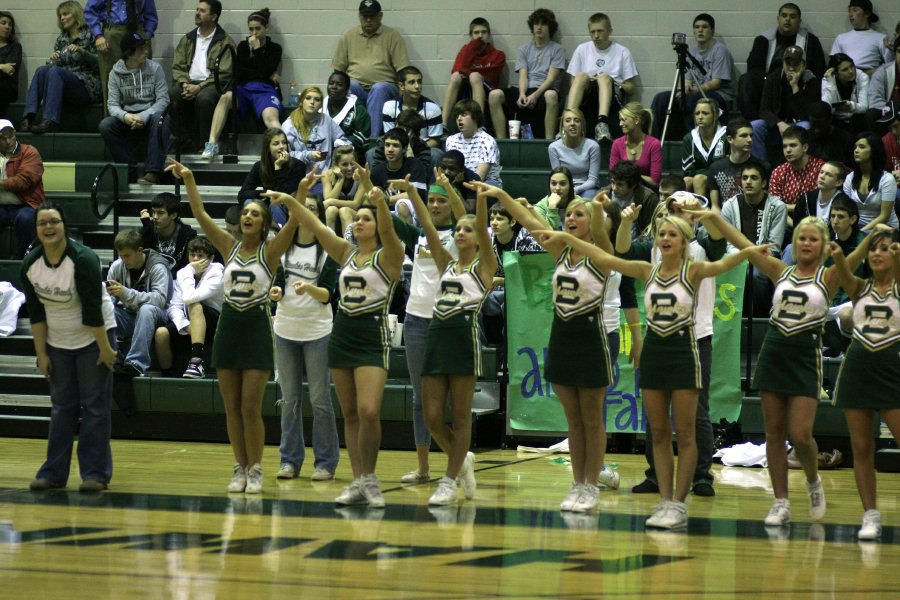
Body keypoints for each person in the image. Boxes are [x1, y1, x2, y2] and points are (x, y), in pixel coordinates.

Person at [540, 215, 760, 528]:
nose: (666, 238)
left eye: (673, 234)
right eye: (661, 234)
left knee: (684, 432)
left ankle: (679, 505)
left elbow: (732, 260)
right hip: (655, 353)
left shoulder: (695, 270)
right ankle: (664, 502)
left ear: (684, 242)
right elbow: (605, 257)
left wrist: (751, 249)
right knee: (658, 432)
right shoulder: (647, 270)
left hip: (685, 352)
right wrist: (564, 237)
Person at [694, 210, 875, 527]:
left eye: (813, 239)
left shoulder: (829, 276)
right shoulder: (781, 270)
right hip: (774, 353)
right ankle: (781, 502)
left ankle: (813, 480)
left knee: (802, 435)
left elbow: (858, 257)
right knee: (774, 434)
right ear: (795, 241)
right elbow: (742, 242)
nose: (806, 242)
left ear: (823, 245)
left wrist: (873, 235)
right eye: (802, 237)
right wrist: (713, 215)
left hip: (805, 356)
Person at [165, 158, 304, 495]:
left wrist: (297, 193)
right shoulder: (228, 247)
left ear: (264, 222)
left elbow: (296, 220)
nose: (247, 217)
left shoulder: (271, 252)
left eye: (255, 214)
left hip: (255, 328)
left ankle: (256, 468)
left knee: (250, 407)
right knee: (231, 406)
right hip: (229, 328)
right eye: (245, 213)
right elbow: (199, 215)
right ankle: (239, 466)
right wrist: (190, 179)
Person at [269, 165, 404, 508]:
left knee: (369, 410)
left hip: (372, 335)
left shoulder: (389, 256)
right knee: (351, 414)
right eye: (356, 219)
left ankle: (371, 478)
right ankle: (358, 481)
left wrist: (375, 195)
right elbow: (313, 223)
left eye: (366, 219)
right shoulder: (344, 252)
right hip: (342, 333)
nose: (359, 222)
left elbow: (388, 228)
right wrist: (291, 198)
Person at [484, 183, 623, 512]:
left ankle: (591, 484)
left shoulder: (600, 255)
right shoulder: (561, 253)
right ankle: (577, 483)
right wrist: (501, 196)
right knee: (572, 420)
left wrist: (599, 208)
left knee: (592, 418)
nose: (571, 218)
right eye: (569, 214)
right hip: (562, 336)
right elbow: (533, 225)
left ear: (592, 221)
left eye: (579, 214)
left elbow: (603, 237)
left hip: (594, 337)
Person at [391, 178, 497, 505]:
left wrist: (479, 200)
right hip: (436, 339)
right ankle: (460, 458)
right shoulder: (445, 263)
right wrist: (411, 191)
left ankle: (449, 481)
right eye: (459, 230)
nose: (462, 233)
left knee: (461, 415)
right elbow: (425, 223)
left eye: (468, 231)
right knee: (433, 415)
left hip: (464, 342)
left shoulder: (485, 268)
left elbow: (481, 227)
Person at [617, 192, 727, 499]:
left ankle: (702, 476)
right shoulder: (654, 247)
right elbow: (622, 251)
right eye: (672, 207)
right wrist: (625, 223)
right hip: (658, 339)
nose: (676, 211)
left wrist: (702, 214)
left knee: (697, 412)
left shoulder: (703, 245)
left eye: (683, 207)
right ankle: (656, 474)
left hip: (696, 337)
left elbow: (720, 239)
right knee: (656, 414)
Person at [21, 202, 117, 492]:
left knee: (95, 407)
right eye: (42, 223)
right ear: (36, 229)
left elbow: (92, 311)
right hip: (57, 342)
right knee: (62, 407)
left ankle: (95, 474)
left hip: (94, 338)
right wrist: (41, 354)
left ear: (64, 225)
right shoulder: (31, 265)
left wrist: (105, 349)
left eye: (54, 221)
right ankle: (53, 473)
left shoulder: (83, 259)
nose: (48, 227)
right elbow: (36, 315)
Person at [393, 171, 466, 484]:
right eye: (431, 201)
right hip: (415, 321)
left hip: (448, 322)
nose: (435, 206)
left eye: (441, 201)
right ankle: (424, 467)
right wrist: (374, 189)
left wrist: (450, 188)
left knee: (445, 402)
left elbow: (468, 216)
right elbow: (387, 219)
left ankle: (458, 460)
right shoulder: (417, 234)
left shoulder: (461, 234)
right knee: (419, 399)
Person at [830, 228, 900, 541]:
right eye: (873, 250)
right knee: (861, 447)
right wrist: (842, 254)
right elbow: (843, 271)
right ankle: (870, 514)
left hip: (892, 371)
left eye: (884, 249)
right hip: (857, 369)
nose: (877, 254)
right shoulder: (859, 288)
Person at [269, 195, 340, 482]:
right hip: (285, 331)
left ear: (319, 215)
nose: (306, 212)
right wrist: (276, 293)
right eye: (301, 208)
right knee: (289, 400)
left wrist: (308, 289)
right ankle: (289, 461)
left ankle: (325, 462)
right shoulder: (282, 246)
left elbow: (327, 295)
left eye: (311, 208)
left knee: (320, 400)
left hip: (318, 332)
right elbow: (276, 286)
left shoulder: (327, 247)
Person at [203, 8, 282, 160]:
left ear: (267, 28)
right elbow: (240, 73)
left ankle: (283, 150)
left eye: (258, 28)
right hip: (244, 88)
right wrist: (264, 73)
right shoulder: (243, 46)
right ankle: (211, 144)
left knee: (271, 118)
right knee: (225, 98)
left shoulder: (275, 49)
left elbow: (266, 69)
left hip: (265, 90)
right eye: (251, 29)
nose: (254, 33)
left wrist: (258, 50)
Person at [650, 13, 735, 140]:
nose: (700, 30)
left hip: (719, 95)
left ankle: (693, 141)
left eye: (704, 27)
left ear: (712, 30)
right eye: (697, 27)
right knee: (661, 99)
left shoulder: (720, 50)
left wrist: (693, 92)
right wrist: (685, 90)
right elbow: (688, 80)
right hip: (694, 92)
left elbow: (716, 82)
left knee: (692, 100)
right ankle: (655, 142)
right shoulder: (691, 52)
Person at [98, 33, 168, 185]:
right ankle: (129, 169)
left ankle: (153, 171)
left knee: (162, 118)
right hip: (129, 116)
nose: (146, 51)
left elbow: (163, 100)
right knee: (105, 125)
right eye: (141, 49)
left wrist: (143, 116)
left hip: (150, 114)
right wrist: (126, 117)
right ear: (129, 53)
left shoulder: (155, 69)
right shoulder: (115, 73)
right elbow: (112, 105)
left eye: (145, 47)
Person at [332, 0, 409, 137]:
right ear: (359, 16)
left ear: (380, 16)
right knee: (350, 86)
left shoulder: (392, 36)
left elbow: (403, 70)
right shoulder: (348, 35)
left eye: (372, 16)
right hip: (357, 85)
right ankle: (343, 137)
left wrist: (405, 94)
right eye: (364, 16)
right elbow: (338, 70)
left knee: (378, 89)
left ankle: (371, 140)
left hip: (386, 87)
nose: (368, 20)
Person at [21, 2, 100, 134]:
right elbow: (53, 70)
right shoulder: (61, 39)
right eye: (60, 16)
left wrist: (83, 52)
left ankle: (49, 120)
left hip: (86, 87)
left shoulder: (91, 34)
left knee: (56, 72)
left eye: (65, 14)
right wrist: (53, 60)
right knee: (42, 70)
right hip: (64, 85)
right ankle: (28, 117)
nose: (62, 18)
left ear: (75, 14)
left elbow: (99, 63)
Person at [720, 161, 788, 316]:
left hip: (766, 258)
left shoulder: (778, 207)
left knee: (757, 274)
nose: (748, 181)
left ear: (764, 183)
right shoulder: (729, 206)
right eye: (744, 178)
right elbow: (728, 242)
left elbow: (773, 246)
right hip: (736, 256)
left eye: (754, 178)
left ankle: (760, 318)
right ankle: (733, 319)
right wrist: (743, 257)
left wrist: (752, 257)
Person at [739, 3, 826, 120]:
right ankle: (751, 122)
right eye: (784, 15)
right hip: (769, 81)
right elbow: (753, 68)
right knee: (746, 79)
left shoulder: (811, 41)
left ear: (799, 21)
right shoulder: (763, 40)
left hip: (799, 81)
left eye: (792, 16)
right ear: (778, 19)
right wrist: (770, 80)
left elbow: (819, 70)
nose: (788, 20)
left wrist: (799, 77)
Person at [488, 8, 565, 140]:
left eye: (543, 24)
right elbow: (523, 76)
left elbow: (551, 78)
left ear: (550, 27)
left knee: (551, 95)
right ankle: (501, 142)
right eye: (536, 24)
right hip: (526, 89)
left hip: (544, 90)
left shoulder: (557, 49)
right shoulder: (524, 49)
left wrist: (535, 95)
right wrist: (522, 94)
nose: (539, 27)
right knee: (494, 95)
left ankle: (549, 142)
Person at [169, 1, 236, 152]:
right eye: (197, 9)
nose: (197, 13)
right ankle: (185, 139)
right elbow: (178, 66)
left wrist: (199, 87)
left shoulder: (225, 41)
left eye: (202, 11)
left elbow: (224, 73)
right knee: (170, 95)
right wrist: (184, 83)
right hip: (188, 82)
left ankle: (204, 145)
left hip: (212, 84)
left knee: (204, 98)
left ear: (213, 16)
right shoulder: (188, 39)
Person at [106, 228, 173, 377]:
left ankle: (136, 363)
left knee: (146, 309)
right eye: (120, 255)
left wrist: (126, 293)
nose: (123, 260)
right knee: (104, 309)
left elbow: (160, 301)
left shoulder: (158, 267)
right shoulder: (117, 266)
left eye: (127, 256)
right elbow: (108, 298)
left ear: (140, 250)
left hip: (159, 318)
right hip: (130, 316)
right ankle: (113, 356)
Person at [155, 236, 223, 379]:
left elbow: (189, 298)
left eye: (200, 256)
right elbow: (175, 306)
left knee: (195, 306)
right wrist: (185, 326)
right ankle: (168, 376)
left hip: (215, 322)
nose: (195, 260)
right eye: (192, 255)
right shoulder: (185, 273)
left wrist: (187, 271)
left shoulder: (217, 273)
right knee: (161, 334)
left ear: (211, 258)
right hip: (190, 322)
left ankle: (197, 363)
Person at [565, 12, 638, 143]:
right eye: (592, 32)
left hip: (612, 96)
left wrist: (611, 81)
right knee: (581, 76)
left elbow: (631, 88)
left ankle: (602, 124)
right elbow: (573, 82)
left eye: (600, 31)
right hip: (587, 94)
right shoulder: (582, 49)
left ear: (610, 31)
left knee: (603, 77)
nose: (596, 36)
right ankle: (568, 119)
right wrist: (589, 80)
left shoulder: (622, 52)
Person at [751, 45, 820, 163]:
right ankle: (760, 166)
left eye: (796, 64)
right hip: (778, 123)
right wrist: (779, 123)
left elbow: (807, 114)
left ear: (803, 65)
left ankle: (801, 165)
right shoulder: (773, 78)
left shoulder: (811, 81)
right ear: (783, 63)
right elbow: (764, 110)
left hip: (799, 122)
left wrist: (795, 87)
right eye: (788, 64)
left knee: (807, 127)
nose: (791, 68)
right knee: (755, 126)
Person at [84, 0, 157, 110]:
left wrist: (147, 35)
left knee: (143, 77)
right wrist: (98, 35)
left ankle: (145, 119)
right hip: (113, 33)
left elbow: (151, 15)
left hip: (138, 32)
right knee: (110, 76)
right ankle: (112, 120)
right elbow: (90, 11)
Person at [442, 18, 506, 129]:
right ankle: (443, 124)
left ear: (489, 35)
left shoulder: (498, 54)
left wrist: (469, 72)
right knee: (455, 77)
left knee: (475, 76)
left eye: (484, 32)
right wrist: (472, 47)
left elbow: (491, 76)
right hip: (465, 88)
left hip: (487, 88)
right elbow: (458, 70)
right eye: (476, 33)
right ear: (471, 35)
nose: (480, 36)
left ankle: (478, 123)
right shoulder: (465, 50)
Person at [238, 128, 307, 226]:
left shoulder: (298, 166)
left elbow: (284, 194)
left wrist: (278, 167)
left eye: (284, 143)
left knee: (276, 204)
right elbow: (242, 194)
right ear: (268, 148)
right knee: (249, 202)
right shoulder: (260, 166)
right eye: (276, 144)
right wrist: (265, 193)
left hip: (289, 206)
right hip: (269, 203)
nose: (282, 147)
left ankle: (281, 236)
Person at [0, 119, 44, 258]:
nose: (8, 141)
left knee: (25, 219)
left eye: (10, 136)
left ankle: (22, 260)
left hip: (27, 204)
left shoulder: (29, 152)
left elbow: (23, 181)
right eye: (2, 138)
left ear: (15, 134)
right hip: (1, 207)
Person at [282, 86, 350, 173]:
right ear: (301, 102)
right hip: (298, 176)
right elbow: (285, 154)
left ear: (321, 105)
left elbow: (344, 141)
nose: (312, 102)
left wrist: (340, 146)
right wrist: (309, 155)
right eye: (308, 98)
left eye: (317, 99)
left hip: (324, 176)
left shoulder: (326, 120)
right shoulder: (289, 124)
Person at [381, 66, 442, 161]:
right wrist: (402, 148)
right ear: (401, 86)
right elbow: (389, 136)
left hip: (422, 148)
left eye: (419, 81)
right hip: (397, 147)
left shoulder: (432, 108)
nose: (417, 86)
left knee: (436, 153)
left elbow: (435, 141)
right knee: (372, 152)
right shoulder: (389, 106)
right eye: (412, 82)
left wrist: (413, 148)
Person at [370, 128, 428, 224]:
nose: (390, 150)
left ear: (404, 149)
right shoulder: (377, 170)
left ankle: (408, 239)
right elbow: (372, 198)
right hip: (386, 213)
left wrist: (387, 200)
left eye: (395, 146)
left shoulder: (414, 165)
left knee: (402, 205)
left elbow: (416, 194)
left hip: (414, 213)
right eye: (387, 145)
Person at [843, 131, 898, 230]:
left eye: (862, 147)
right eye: (855, 147)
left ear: (874, 151)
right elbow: (847, 210)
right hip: (858, 227)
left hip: (885, 230)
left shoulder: (887, 179)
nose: (856, 150)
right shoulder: (850, 178)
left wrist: (860, 234)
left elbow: (884, 216)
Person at [768, 126, 826, 217]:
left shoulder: (820, 169)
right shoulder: (778, 172)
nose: (788, 150)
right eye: (785, 146)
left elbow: (819, 205)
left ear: (805, 147)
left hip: (814, 220)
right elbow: (774, 208)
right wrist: (794, 227)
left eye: (793, 145)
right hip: (785, 223)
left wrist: (786, 207)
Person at [139, 192, 198, 276]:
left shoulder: (188, 235)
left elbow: (188, 266)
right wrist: (147, 228)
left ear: (173, 215)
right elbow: (144, 258)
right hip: (152, 278)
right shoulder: (148, 229)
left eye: (160, 213)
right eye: (153, 212)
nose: (155, 217)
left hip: (178, 280)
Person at [446, 99, 502, 187]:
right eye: (457, 116)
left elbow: (479, 177)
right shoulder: (451, 140)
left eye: (463, 115)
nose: (459, 119)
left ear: (475, 117)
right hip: (458, 182)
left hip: (486, 183)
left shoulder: (487, 141)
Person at [548, 108, 600, 199]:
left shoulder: (593, 146)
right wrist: (568, 190)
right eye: (568, 121)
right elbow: (557, 177)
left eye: (577, 120)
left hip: (587, 188)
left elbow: (593, 180)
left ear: (582, 125)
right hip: (563, 187)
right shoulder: (553, 148)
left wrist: (576, 190)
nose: (572, 123)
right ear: (562, 126)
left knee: (587, 199)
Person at [681, 98, 728, 197]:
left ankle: (700, 211)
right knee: (686, 181)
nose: (700, 117)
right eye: (697, 113)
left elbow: (729, 164)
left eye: (705, 113)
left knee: (699, 179)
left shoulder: (726, 135)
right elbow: (688, 170)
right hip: (698, 178)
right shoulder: (689, 138)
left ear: (715, 116)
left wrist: (704, 174)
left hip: (724, 177)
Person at [830, 0, 893, 74]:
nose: (850, 14)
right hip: (847, 79)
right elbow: (833, 64)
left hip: (871, 79)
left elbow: (890, 65)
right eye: (849, 10)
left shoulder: (881, 38)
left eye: (855, 10)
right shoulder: (841, 38)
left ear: (867, 13)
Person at [708, 118, 757, 209]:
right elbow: (715, 207)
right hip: (724, 217)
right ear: (730, 139)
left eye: (751, 135)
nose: (749, 140)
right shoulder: (715, 168)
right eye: (743, 136)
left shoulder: (761, 167)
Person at [610, 102, 662, 185]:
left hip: (647, 190)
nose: (620, 124)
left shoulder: (654, 144)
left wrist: (627, 176)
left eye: (624, 120)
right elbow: (613, 175)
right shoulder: (617, 144)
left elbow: (655, 180)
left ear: (636, 120)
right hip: (621, 190)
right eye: (620, 120)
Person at [603, 161, 660, 236]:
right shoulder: (604, 195)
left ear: (633, 185)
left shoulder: (648, 198)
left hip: (637, 243)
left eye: (620, 185)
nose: (614, 188)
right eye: (613, 182)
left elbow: (650, 231)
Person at [324, 70, 370, 160]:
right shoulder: (321, 104)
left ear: (347, 89)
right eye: (331, 83)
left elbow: (363, 137)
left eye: (339, 85)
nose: (334, 87)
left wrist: (342, 144)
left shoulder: (357, 108)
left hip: (348, 152)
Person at [822, 53, 870, 133]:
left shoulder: (862, 77)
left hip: (855, 118)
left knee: (857, 119)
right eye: (845, 70)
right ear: (835, 73)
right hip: (836, 119)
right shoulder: (827, 79)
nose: (851, 71)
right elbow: (826, 109)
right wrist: (831, 84)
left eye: (851, 66)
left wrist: (851, 105)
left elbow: (864, 107)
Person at [322, 145, 365, 233]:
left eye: (352, 163)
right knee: (331, 210)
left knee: (344, 211)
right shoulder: (327, 175)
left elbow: (356, 204)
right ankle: (329, 244)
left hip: (357, 218)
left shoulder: (363, 174)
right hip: (334, 219)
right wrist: (340, 180)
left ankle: (350, 245)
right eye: (345, 164)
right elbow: (327, 200)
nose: (349, 168)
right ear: (335, 165)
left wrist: (332, 202)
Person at [791, 161, 849, 225]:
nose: (822, 176)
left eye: (829, 175)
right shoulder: (806, 198)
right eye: (821, 172)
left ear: (839, 182)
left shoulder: (844, 203)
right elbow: (797, 226)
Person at [865, 38, 899, 132]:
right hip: (887, 112)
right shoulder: (883, 71)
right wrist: (893, 112)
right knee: (871, 114)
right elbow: (875, 100)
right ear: (895, 53)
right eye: (899, 51)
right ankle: (876, 145)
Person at [807, 100, 854, 166]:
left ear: (830, 119)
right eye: (813, 126)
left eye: (821, 126)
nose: (816, 130)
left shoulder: (846, 140)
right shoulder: (805, 137)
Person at [0, 12, 21, 115]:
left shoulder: (15, 47)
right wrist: (1, 66)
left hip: (7, 87)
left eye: (10, 24)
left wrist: (4, 68)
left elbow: (9, 70)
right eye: (3, 23)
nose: (7, 27)